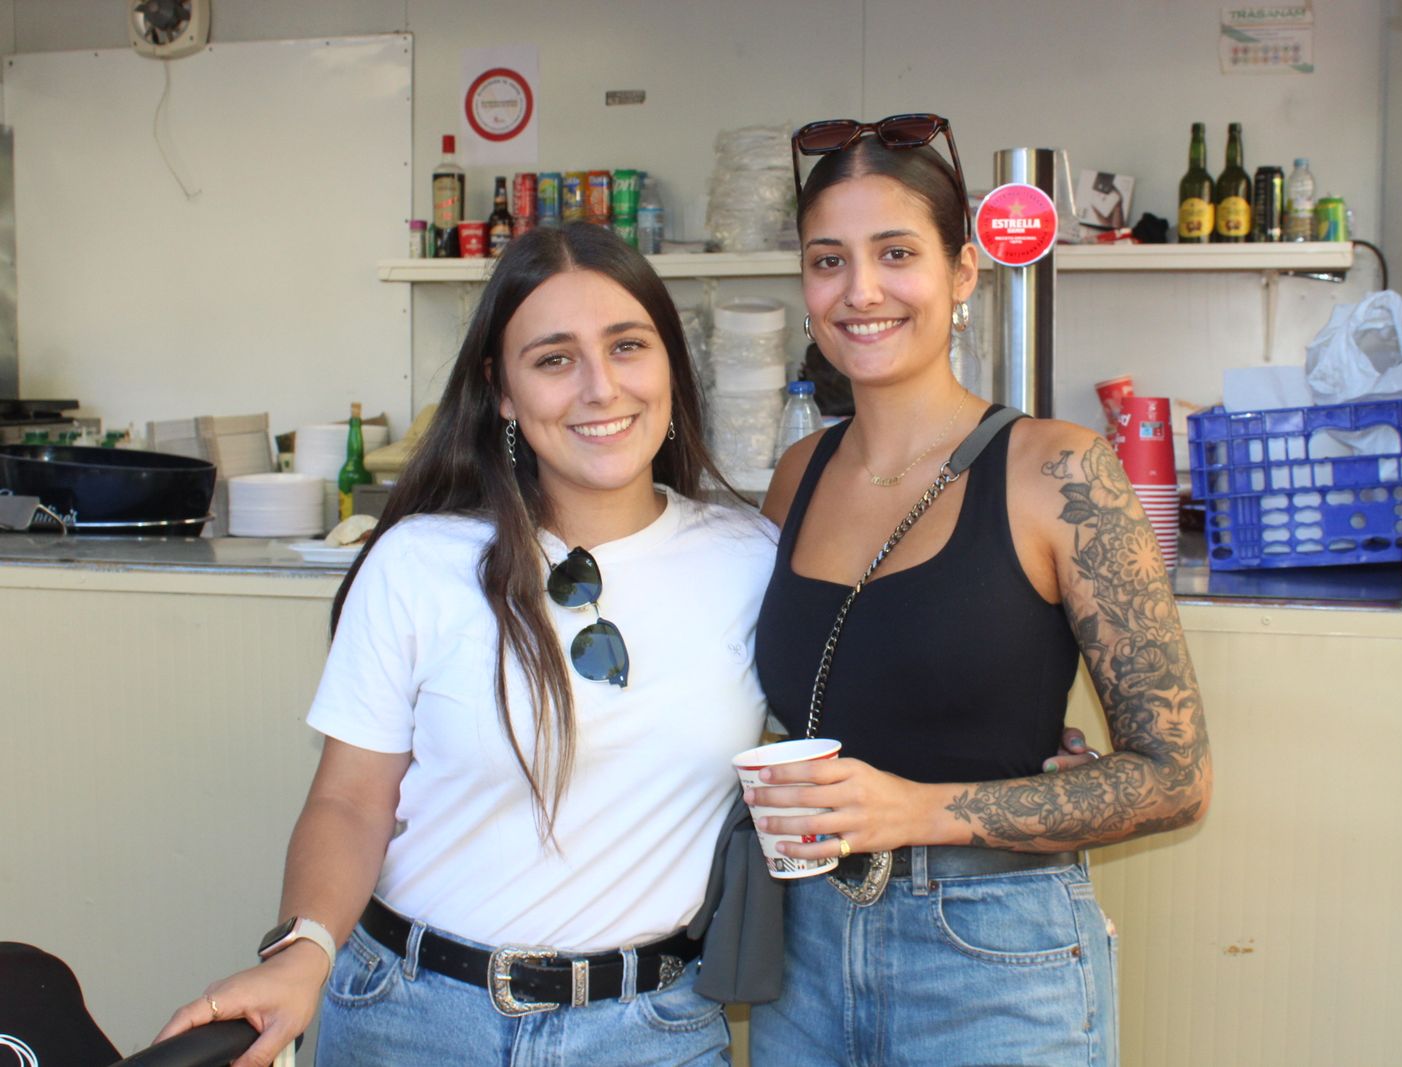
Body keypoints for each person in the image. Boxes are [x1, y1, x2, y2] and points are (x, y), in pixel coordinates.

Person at [156, 224, 775, 1067]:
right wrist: (302, 950)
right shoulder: (420, 560)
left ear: (669, 362)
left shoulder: (755, 559)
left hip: (649, 1031)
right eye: (554, 359)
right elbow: (350, 799)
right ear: (504, 392)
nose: (600, 387)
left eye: (628, 346)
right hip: (411, 1020)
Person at [748, 115, 1212, 1065]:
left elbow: (1177, 776)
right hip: (802, 953)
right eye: (827, 259)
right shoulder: (797, 474)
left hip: (992, 957)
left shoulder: (1060, 470)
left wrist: (918, 809)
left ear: (963, 274)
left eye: (896, 254)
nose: (860, 290)